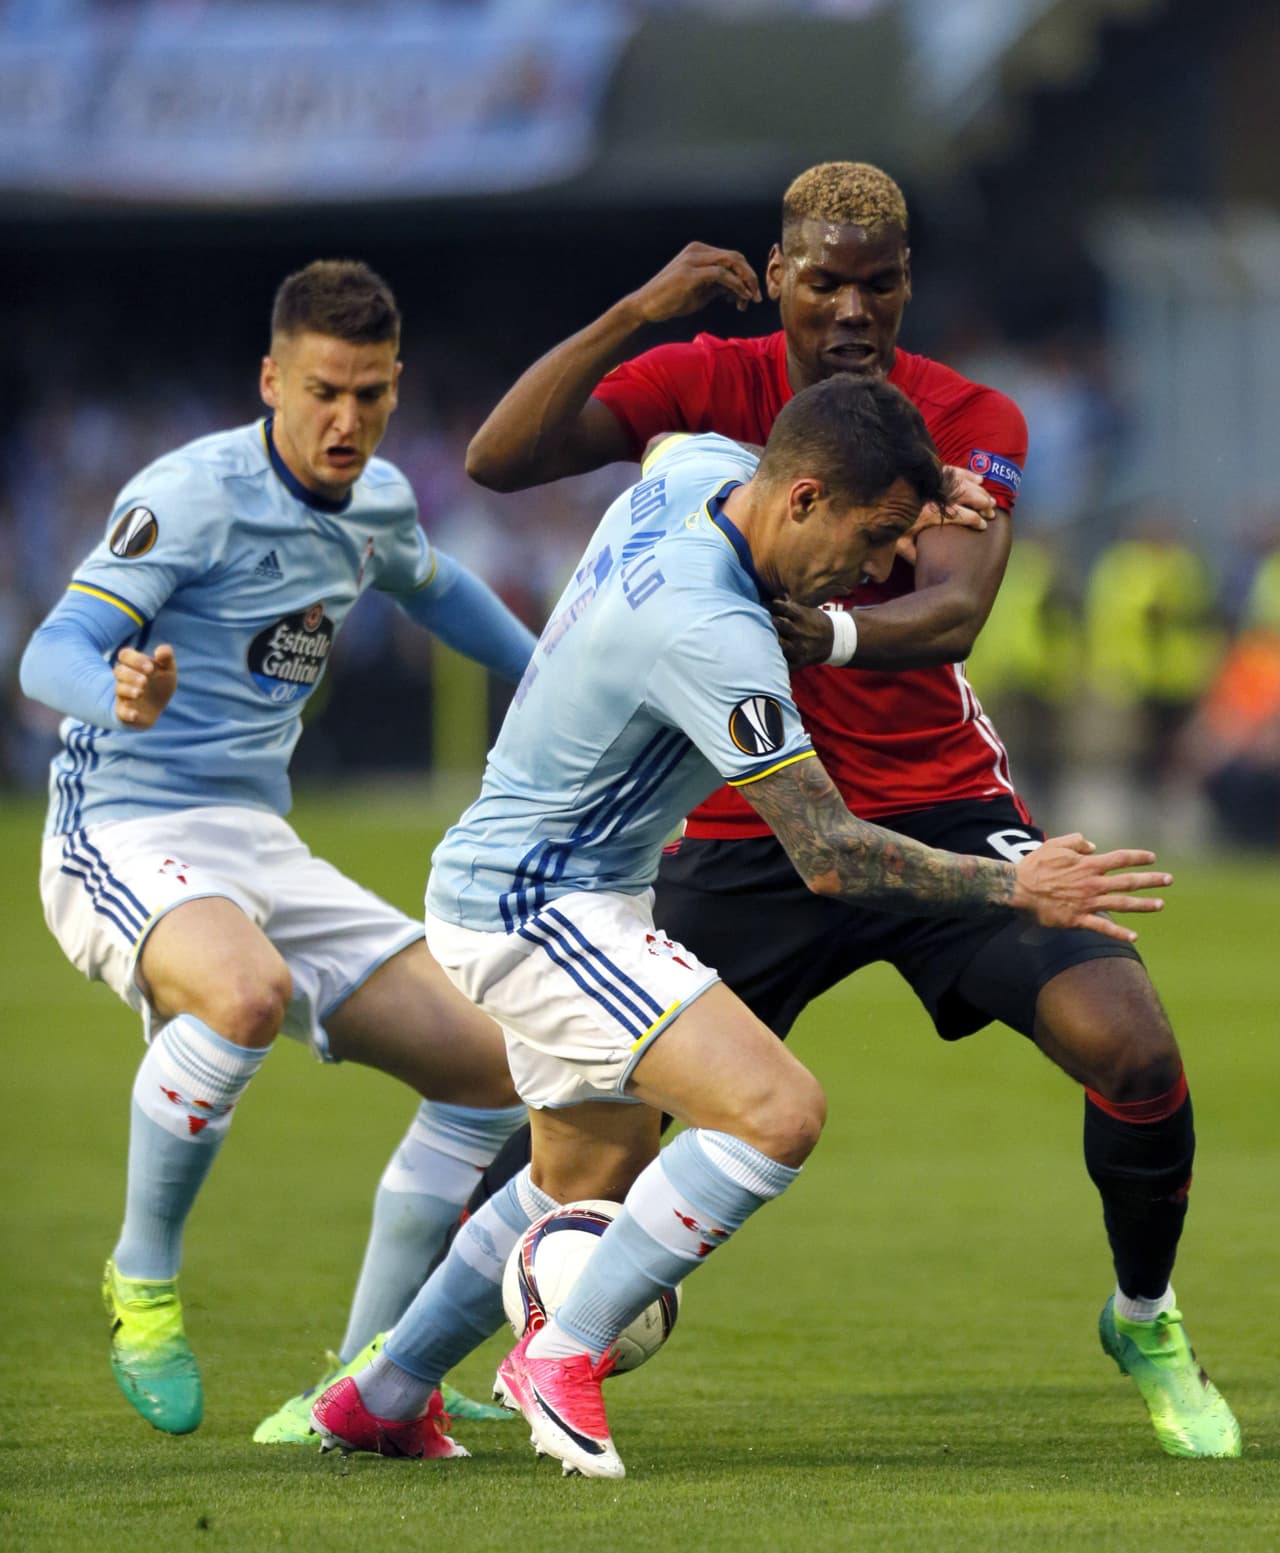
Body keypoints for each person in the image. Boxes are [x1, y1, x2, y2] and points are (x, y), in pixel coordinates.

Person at [452, 161, 1240, 1461]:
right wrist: (638, 308)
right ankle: (397, 1365)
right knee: (593, 1129)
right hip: (741, 826)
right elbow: (498, 459)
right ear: (778, 278)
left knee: (1135, 1048)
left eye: (881, 283)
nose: (855, 307)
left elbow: (953, 611)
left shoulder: (965, 416)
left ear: (909, 284)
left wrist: (804, 629)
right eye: (825, 281)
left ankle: (1144, 1315)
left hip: (940, 809)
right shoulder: (705, 377)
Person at [307, 377, 1171, 1478]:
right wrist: (1017, 889)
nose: (868, 575)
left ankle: (377, 1396)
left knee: (572, 1177)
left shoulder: (704, 474)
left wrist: (920, 478)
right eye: (867, 541)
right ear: (803, 497)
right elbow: (831, 852)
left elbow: (678, 434)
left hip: (543, 882)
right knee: (776, 1110)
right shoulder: (713, 631)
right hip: (537, 905)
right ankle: (559, 1351)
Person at [18, 259, 535, 1447]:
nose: (345, 419)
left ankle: (365, 1382)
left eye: (370, 393)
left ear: (395, 388)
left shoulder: (378, 502)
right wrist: (117, 686)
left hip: (257, 836)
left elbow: (438, 585)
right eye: (321, 392)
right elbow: (50, 650)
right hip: (125, 824)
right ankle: (141, 1282)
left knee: (487, 1063)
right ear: (271, 381)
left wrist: (550, 668)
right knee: (242, 993)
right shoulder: (190, 495)